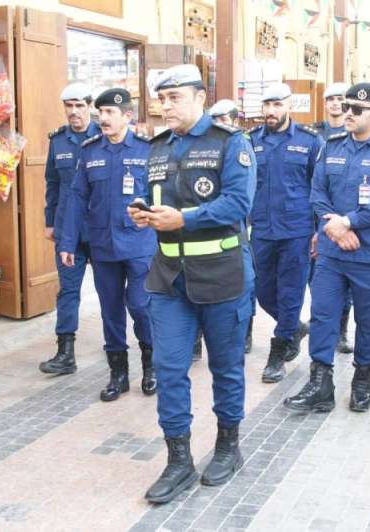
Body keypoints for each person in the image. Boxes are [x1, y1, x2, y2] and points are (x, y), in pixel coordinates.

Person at [128, 64, 256, 503]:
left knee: (226, 367)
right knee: (168, 368)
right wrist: (142, 212)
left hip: (222, 275)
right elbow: (155, 197)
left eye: (175, 97)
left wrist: (185, 219)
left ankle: (228, 447)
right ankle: (178, 460)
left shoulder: (230, 143)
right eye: (162, 99)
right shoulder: (157, 148)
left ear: (201, 97)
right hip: (169, 278)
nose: (166, 106)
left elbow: (238, 203)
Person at [284, 82, 370, 413]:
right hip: (332, 252)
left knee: (369, 320)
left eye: (356, 109)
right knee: (323, 316)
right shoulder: (332, 146)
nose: (347, 112)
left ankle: (362, 380)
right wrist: (335, 229)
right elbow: (317, 193)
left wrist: (348, 222)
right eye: (346, 106)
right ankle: (320, 384)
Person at [59, 88, 157, 402]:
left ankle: (151, 364)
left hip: (140, 244)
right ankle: (118, 373)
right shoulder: (90, 152)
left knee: (140, 304)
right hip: (103, 245)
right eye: (100, 112)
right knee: (110, 310)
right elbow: (77, 199)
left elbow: (161, 197)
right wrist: (67, 242)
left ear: (127, 116)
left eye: (110, 113)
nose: (103, 118)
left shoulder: (147, 150)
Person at [248, 83, 324, 384]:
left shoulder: (310, 141)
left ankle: (278, 354)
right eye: (267, 105)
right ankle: (294, 327)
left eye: (277, 104)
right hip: (262, 229)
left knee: (291, 292)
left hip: (297, 230)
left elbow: (319, 188)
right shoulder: (250, 141)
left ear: (289, 106)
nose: (271, 111)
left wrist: (319, 231)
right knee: (262, 291)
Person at [39, 82, 100, 376]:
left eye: (79, 105)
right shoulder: (58, 140)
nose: (74, 111)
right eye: (69, 106)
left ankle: (119, 346)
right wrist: (49, 221)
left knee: (112, 292)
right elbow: (52, 183)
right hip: (68, 232)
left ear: (90, 106)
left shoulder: (105, 135)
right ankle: (65, 353)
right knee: (68, 292)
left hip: (100, 229)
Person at [202, 98, 254, 357]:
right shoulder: (204, 148)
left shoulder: (241, 143)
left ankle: (245, 332)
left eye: (223, 120)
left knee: (245, 288)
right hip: (209, 233)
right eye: (214, 120)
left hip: (244, 229)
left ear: (235, 120)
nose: (218, 124)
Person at [310, 81, 354, 354]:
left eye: (341, 99)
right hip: (317, 215)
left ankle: (341, 331)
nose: (336, 104)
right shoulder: (315, 133)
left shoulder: (354, 131)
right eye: (331, 99)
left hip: (345, 218)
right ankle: (321, 327)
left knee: (343, 280)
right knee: (318, 279)